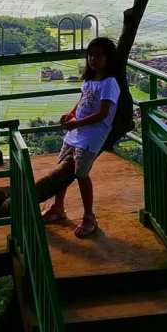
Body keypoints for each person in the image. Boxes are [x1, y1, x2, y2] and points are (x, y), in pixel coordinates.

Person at [41, 37, 121, 238]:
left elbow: (103, 114)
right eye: (91, 55)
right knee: (61, 170)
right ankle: (58, 207)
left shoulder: (109, 83)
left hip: (92, 135)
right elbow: (82, 102)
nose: (93, 59)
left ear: (108, 58)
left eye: (99, 56)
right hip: (76, 131)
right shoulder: (90, 80)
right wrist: (71, 114)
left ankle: (89, 216)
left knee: (81, 174)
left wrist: (76, 122)